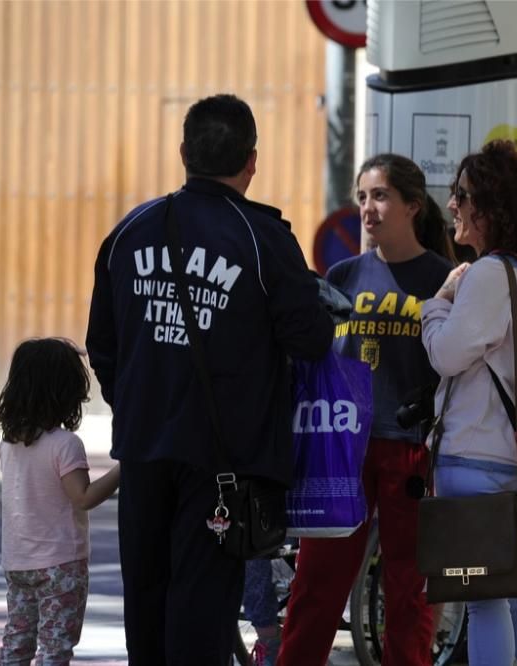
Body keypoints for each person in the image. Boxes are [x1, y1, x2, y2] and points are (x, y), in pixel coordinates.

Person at [85, 93, 334, 665]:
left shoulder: (130, 232)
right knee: (201, 612)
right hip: (226, 463)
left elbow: (103, 344)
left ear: (183, 153)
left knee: (146, 604)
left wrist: (137, 403)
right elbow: (312, 339)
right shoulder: (263, 239)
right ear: (252, 161)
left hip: (144, 452)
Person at [278, 153, 454, 666]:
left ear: (412, 206)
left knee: (408, 590)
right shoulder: (344, 273)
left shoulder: (443, 278)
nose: (368, 209)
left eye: (380, 196)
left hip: (410, 448)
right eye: (362, 198)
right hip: (342, 451)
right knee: (317, 582)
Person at [420, 140, 517, 665]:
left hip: (473, 454)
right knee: (513, 593)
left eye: (462, 195)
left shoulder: (485, 276)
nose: (452, 205)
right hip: (511, 457)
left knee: (482, 603)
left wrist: (436, 305)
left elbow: (447, 355)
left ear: (490, 208)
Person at [0, 337, 121, 666]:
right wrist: (125, 469)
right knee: (55, 646)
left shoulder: (8, 443)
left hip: (18, 561)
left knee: (17, 638)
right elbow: (83, 497)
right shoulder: (65, 445)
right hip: (61, 564)